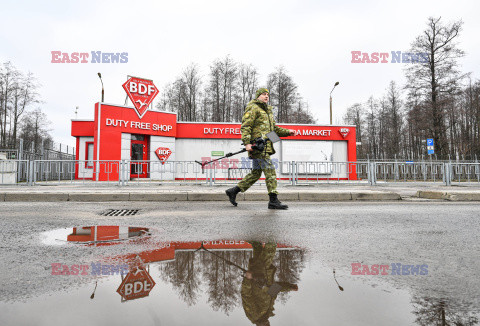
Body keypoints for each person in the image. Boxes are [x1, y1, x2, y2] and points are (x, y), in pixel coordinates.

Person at [225, 88, 295, 209]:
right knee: (270, 171)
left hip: (265, 146)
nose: (266, 96)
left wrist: (288, 132)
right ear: (258, 96)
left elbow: (273, 131)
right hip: (257, 147)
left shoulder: (268, 111)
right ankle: (273, 200)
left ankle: (233, 191)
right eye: (263, 94)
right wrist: (247, 143)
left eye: (267, 94)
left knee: (256, 174)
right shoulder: (253, 107)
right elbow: (246, 126)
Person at [241, 241, 298, 326]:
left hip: (256, 276)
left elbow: (246, 295)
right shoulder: (268, 312)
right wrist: (289, 287)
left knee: (269, 252)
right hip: (266, 274)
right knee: (258, 251)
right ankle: (256, 241)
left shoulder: (254, 315)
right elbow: (273, 289)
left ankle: (271, 235)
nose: (267, 325)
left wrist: (247, 279)